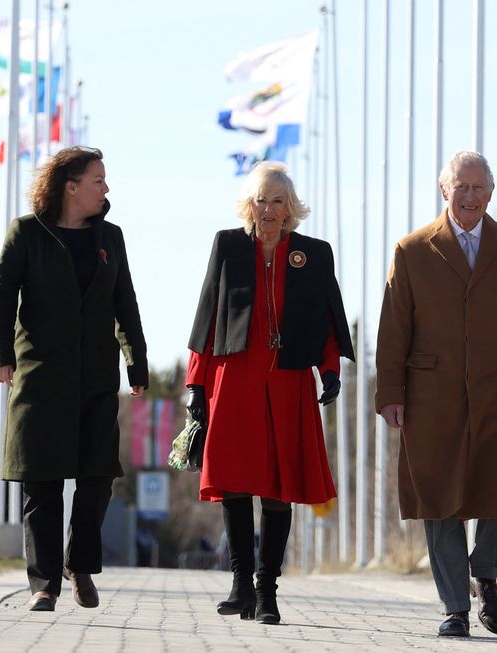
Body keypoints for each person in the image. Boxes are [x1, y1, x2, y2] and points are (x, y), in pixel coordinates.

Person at [376, 151, 497, 637]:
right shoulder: (412, 250)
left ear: (490, 193)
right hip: (431, 395)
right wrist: (390, 392)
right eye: (461, 187)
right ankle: (455, 608)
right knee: (440, 498)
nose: (470, 196)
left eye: (478, 188)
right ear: (443, 190)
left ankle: (486, 574)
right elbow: (393, 328)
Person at [184, 162, 354, 625]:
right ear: (250, 204)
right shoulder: (228, 245)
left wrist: (330, 369)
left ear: (290, 207)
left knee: (279, 489)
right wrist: (196, 386)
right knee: (236, 484)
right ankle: (240, 584)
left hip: (287, 382)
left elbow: (326, 318)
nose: (268, 209)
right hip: (233, 379)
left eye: (277, 200)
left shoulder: (313, 254)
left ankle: (267, 592)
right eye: (261, 199)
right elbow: (206, 319)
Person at [0, 146, 149, 612]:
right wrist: (1, 357)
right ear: (70, 186)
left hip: (97, 376)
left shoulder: (110, 237)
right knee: (42, 482)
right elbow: (2, 299)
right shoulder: (26, 234)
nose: (106, 188)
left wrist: (135, 362)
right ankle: (43, 584)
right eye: (98, 180)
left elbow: (126, 303)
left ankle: (78, 564)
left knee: (98, 475)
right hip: (39, 378)